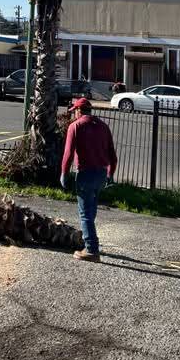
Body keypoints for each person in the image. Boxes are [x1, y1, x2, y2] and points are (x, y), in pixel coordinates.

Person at [60, 97, 117, 262]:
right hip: (101, 174)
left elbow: (68, 154)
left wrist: (64, 173)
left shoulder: (75, 126)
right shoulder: (103, 126)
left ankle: (91, 249)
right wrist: (110, 174)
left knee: (85, 213)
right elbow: (112, 155)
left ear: (78, 110)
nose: (74, 115)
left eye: (74, 111)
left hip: (85, 174)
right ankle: (89, 240)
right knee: (91, 210)